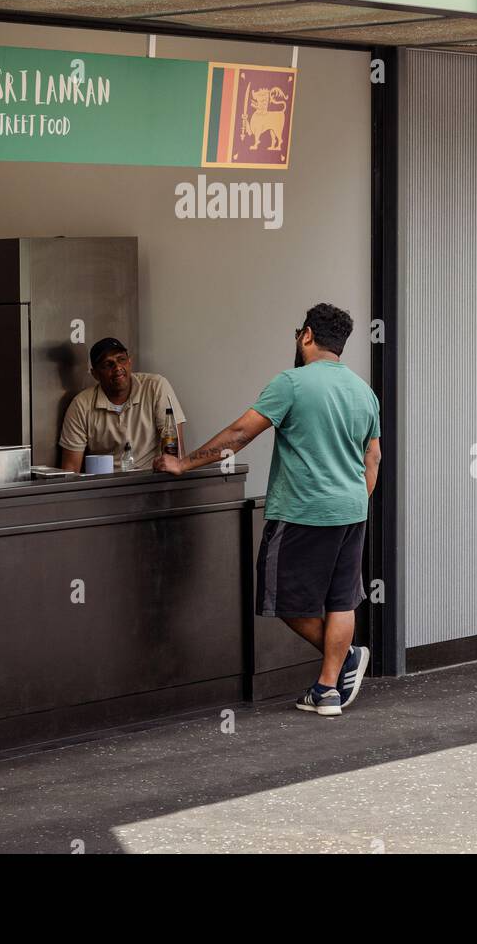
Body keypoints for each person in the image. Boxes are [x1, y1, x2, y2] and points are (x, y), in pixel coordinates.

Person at [155, 303, 380, 716]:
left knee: (282, 600)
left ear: (307, 335)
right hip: (351, 510)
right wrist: (355, 500)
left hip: (302, 511)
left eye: (299, 333)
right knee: (340, 600)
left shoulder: (291, 383)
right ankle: (328, 689)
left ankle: (344, 662)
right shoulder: (363, 390)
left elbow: (241, 433)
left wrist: (183, 463)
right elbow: (374, 457)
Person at [60, 337, 186, 472]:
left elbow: (176, 454)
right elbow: (71, 470)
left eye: (121, 359)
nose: (117, 367)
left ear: (130, 362)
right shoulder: (81, 405)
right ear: (95, 374)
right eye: (107, 364)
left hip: (150, 482)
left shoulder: (155, 386)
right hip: (103, 487)